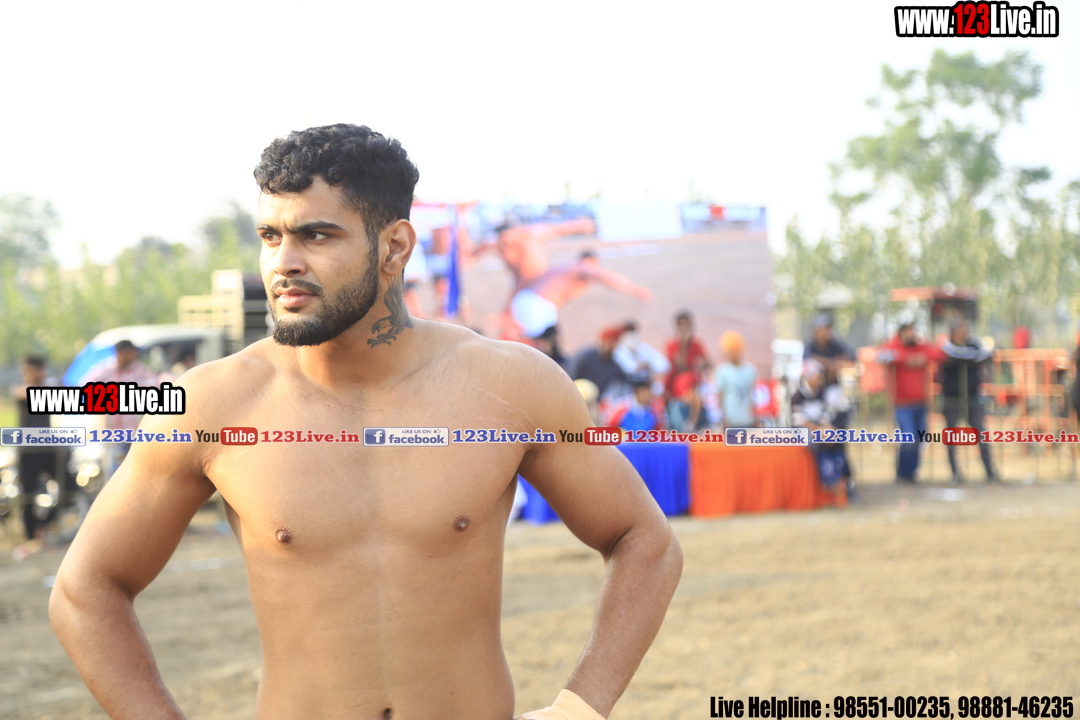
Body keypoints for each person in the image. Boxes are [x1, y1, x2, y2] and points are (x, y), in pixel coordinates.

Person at [49, 123, 682, 720]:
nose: (283, 263)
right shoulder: (212, 405)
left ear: (395, 247)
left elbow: (643, 540)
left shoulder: (509, 386)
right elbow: (86, 589)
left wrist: (579, 708)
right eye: (270, 236)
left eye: (316, 236)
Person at [505, 252, 652, 341]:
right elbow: (604, 276)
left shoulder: (562, 268)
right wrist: (635, 289)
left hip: (525, 300)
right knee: (539, 345)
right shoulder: (583, 267)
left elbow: (523, 282)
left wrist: (507, 308)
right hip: (538, 305)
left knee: (534, 341)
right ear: (591, 261)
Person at [9, 356, 62, 557]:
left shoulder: (49, 389)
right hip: (27, 452)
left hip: (48, 449)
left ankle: (45, 524)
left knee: (69, 488)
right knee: (28, 496)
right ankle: (32, 536)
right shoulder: (22, 390)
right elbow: (24, 393)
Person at [880, 320, 945, 483]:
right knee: (908, 439)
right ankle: (903, 473)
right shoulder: (892, 347)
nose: (911, 334)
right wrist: (906, 358)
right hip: (902, 404)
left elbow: (939, 354)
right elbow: (882, 356)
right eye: (908, 331)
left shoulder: (921, 347)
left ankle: (912, 473)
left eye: (913, 331)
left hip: (921, 403)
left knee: (919, 440)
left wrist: (921, 357)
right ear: (900, 333)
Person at [85, 339, 160, 472]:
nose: (133, 355)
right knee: (116, 472)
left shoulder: (139, 370)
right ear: (121, 353)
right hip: (114, 435)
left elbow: (156, 387)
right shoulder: (106, 371)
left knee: (137, 470)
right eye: (130, 352)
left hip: (135, 434)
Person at [940, 319, 998, 483]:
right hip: (952, 399)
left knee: (981, 435)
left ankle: (990, 472)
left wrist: (974, 358)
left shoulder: (974, 344)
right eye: (960, 329)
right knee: (952, 437)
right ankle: (955, 474)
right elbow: (956, 358)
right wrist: (973, 358)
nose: (964, 333)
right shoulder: (946, 346)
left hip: (973, 398)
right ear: (953, 332)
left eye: (965, 329)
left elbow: (987, 354)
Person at [791, 359, 853, 495]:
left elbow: (825, 416)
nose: (820, 379)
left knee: (837, 440)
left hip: (819, 429)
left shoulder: (821, 393)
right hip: (804, 432)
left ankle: (845, 479)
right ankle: (828, 479)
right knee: (819, 444)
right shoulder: (797, 396)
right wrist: (819, 431)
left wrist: (829, 429)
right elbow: (799, 422)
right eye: (818, 376)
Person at [569, 323, 634, 400]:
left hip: (594, 404)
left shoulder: (612, 365)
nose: (615, 347)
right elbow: (570, 378)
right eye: (612, 343)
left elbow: (628, 380)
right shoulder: (585, 357)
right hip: (575, 399)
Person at [713, 331, 757, 429]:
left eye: (734, 351)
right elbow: (720, 397)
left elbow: (752, 395)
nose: (731, 354)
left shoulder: (750, 370)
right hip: (730, 422)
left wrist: (755, 416)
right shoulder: (722, 371)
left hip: (747, 420)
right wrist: (723, 419)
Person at [664, 311, 709, 397]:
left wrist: (701, 366)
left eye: (687, 325)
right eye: (682, 325)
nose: (685, 328)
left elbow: (708, 362)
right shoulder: (671, 346)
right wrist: (684, 344)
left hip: (690, 388)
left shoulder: (696, 344)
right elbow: (680, 367)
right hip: (673, 387)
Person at [804, 313, 855, 386]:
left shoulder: (835, 345)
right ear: (816, 331)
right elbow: (809, 360)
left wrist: (837, 365)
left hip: (835, 386)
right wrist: (830, 365)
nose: (828, 331)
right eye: (824, 329)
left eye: (829, 328)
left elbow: (852, 357)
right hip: (816, 389)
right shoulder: (810, 347)